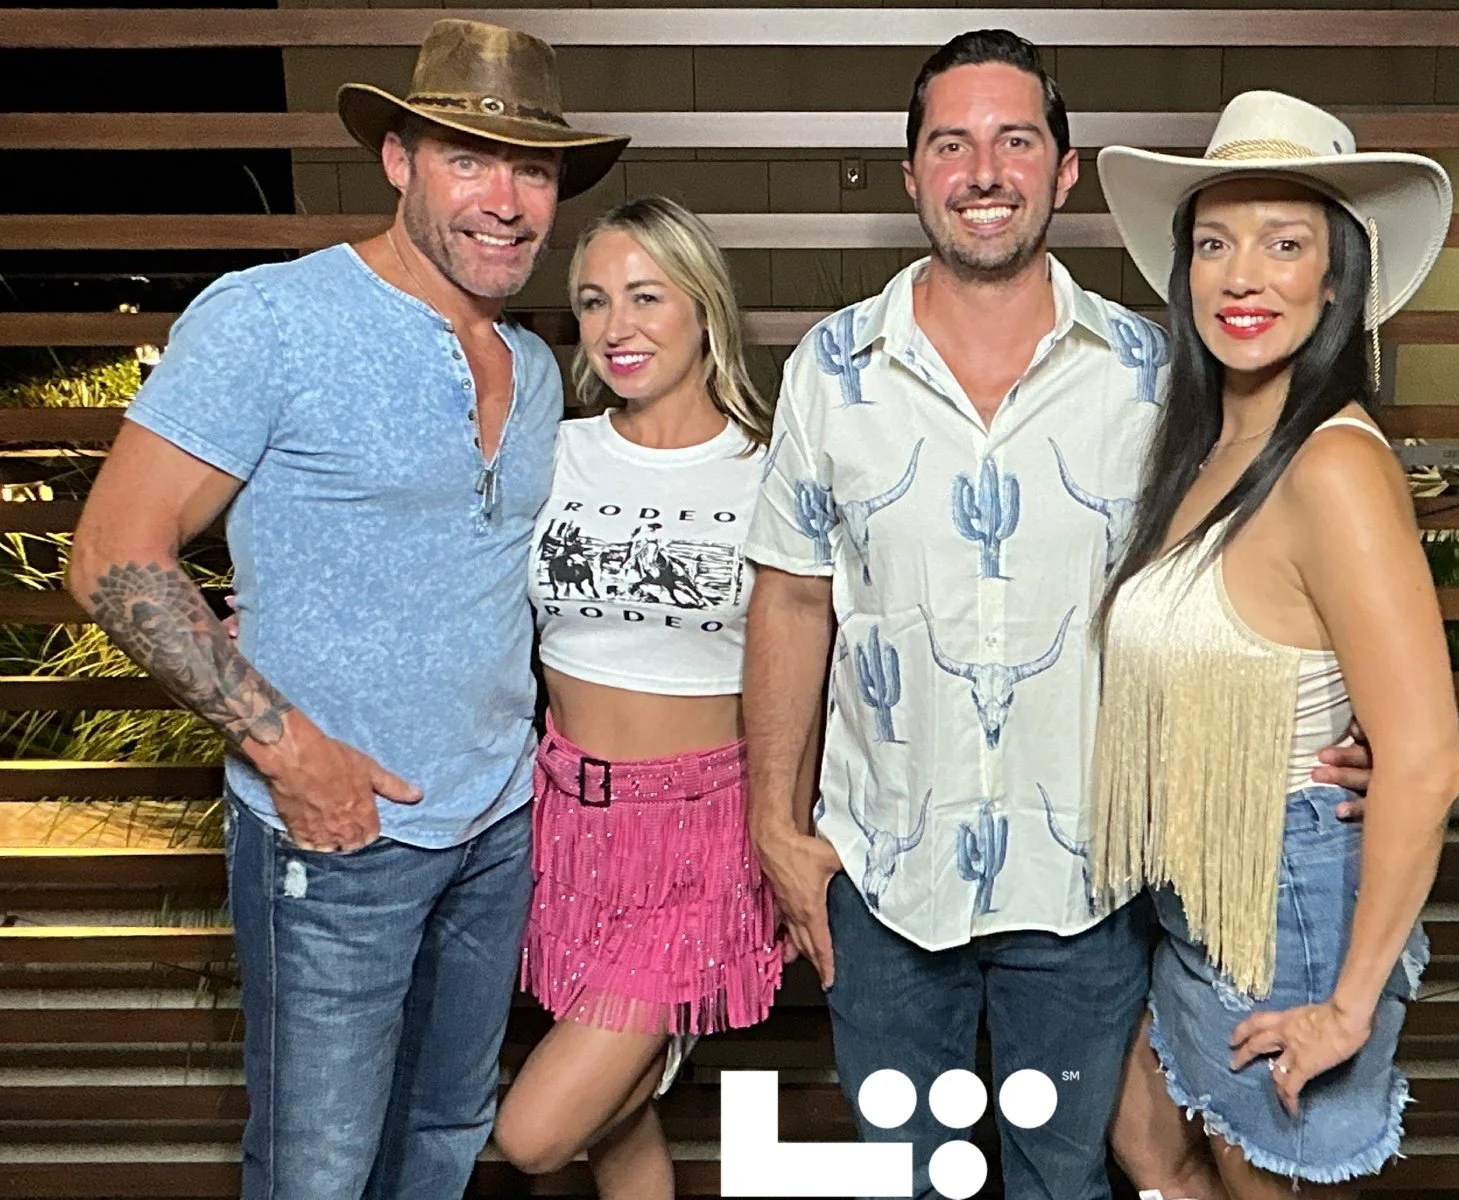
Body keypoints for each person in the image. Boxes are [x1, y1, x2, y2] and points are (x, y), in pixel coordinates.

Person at [741, 33, 1372, 1200]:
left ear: (1065, 170)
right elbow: (787, 598)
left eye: (1014, 140)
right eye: (952, 143)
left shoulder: (1156, 377)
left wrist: (1354, 729)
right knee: (910, 1177)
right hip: (881, 875)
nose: (984, 169)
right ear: (912, 174)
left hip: (1087, 878)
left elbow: (1256, 581)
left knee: (1063, 1178)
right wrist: (774, 829)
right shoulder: (830, 370)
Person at [64, 21, 626, 1200]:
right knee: (317, 1173)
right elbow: (114, 552)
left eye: (531, 170)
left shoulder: (529, 369)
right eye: (469, 158)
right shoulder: (272, 318)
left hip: (495, 829)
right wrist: (291, 752)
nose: (508, 200)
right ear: (399, 160)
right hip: (331, 836)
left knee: (441, 1146)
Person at [1089, 91, 1459, 1199]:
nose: (1241, 274)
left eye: (1284, 243)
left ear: (1338, 281)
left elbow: (1429, 759)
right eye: (1214, 241)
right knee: (1153, 1150)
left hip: (1289, 902)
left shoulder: (1335, 465)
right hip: (1195, 892)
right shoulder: (1203, 448)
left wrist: (1349, 1003)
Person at [487, 197, 784, 1198]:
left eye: (647, 296)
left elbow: (828, 666)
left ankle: (667, 1037)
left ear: (703, 307)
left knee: (535, 1133)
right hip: (563, 822)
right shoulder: (553, 453)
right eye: (595, 301)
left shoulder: (774, 469)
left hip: (703, 831)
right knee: (618, 1134)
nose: (618, 327)